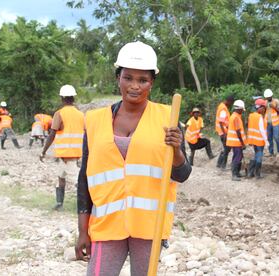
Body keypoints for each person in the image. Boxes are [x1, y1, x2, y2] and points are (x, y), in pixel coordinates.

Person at [74, 41, 192, 276]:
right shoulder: (95, 120)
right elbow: (84, 179)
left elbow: (182, 173)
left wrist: (177, 149)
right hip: (107, 225)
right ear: (118, 78)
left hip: (149, 226)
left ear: (152, 82)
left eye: (143, 80)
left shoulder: (168, 117)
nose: (135, 86)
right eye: (128, 78)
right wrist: (83, 231)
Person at [40, 85, 84, 211]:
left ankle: (84, 206)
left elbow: (52, 134)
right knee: (61, 177)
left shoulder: (59, 114)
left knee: (78, 181)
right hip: (75, 153)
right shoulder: (81, 114)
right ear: (73, 98)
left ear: (62, 98)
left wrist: (43, 151)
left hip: (66, 154)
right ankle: (59, 203)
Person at [247, 98, 268, 179]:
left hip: (253, 140)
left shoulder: (251, 116)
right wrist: (266, 141)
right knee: (259, 156)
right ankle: (257, 174)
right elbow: (262, 130)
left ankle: (250, 173)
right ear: (260, 108)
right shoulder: (259, 117)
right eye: (263, 108)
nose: (264, 110)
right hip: (259, 141)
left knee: (256, 155)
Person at [226, 100, 247, 181]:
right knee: (237, 157)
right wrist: (242, 144)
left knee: (239, 156)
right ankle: (234, 174)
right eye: (242, 109)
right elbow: (238, 131)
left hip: (234, 141)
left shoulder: (233, 116)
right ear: (239, 108)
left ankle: (237, 173)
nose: (242, 111)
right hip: (236, 142)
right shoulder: (236, 118)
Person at [215, 95, 234, 169]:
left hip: (222, 132)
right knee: (227, 149)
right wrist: (225, 133)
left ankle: (219, 164)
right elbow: (221, 122)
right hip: (223, 132)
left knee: (226, 148)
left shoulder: (222, 106)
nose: (231, 104)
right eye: (231, 103)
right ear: (228, 101)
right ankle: (223, 165)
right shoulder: (223, 109)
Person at [264, 89, 279, 156]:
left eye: (268, 97)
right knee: (269, 138)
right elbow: (264, 111)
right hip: (268, 123)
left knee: (276, 137)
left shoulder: (276, 101)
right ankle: (270, 152)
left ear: (271, 96)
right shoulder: (265, 102)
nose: (267, 98)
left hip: (275, 123)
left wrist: (274, 107)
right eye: (266, 97)